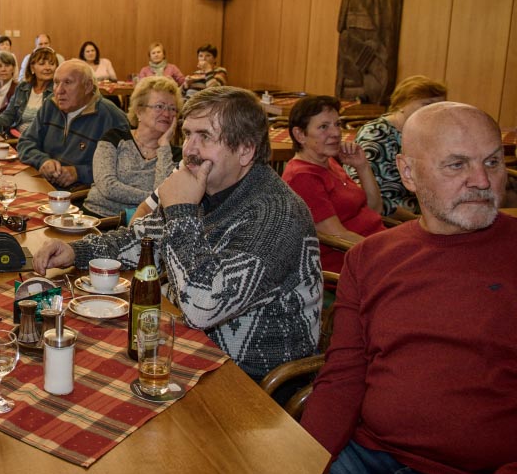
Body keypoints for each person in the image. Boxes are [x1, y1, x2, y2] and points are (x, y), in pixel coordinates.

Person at [34, 86, 321, 381]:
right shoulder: (205, 186)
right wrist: (77, 251)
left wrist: (181, 211)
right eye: (187, 135)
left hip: (248, 382)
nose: (189, 150)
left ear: (245, 150)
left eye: (205, 136)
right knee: (72, 353)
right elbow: (141, 240)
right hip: (189, 344)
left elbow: (202, 306)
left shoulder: (277, 214)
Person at [301, 102, 517, 474]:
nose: (482, 181)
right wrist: (301, 466)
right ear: (408, 173)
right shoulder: (369, 258)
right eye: (457, 165)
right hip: (367, 457)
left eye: (492, 162)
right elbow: (343, 377)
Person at [282, 95, 384, 273]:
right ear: (300, 135)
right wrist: (387, 250)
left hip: (373, 247)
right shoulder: (302, 177)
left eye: (337, 124)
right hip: (350, 264)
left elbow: (375, 209)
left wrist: (362, 166)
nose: (336, 133)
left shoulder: (329, 162)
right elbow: (338, 236)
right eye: (324, 127)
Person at [17, 59, 129, 189]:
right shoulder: (51, 105)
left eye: (68, 82)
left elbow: (125, 168)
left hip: (81, 194)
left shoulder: (111, 117)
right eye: (56, 82)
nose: (59, 91)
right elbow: (25, 142)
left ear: (88, 86)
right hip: (43, 185)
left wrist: (79, 173)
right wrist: (42, 161)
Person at [83, 75, 181, 218]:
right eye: (160, 106)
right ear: (139, 111)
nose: (167, 114)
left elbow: (162, 197)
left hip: (139, 226)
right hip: (94, 217)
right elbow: (107, 186)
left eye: (172, 109)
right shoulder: (114, 138)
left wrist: (164, 146)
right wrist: (152, 198)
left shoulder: (176, 156)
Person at [353, 74, 447, 220]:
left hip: (428, 213)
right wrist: (419, 221)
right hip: (393, 217)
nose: (434, 112)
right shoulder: (376, 134)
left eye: (439, 107)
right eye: (427, 104)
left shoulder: (431, 133)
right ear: (402, 104)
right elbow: (369, 196)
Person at [0, 46, 57, 137]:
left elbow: (53, 128)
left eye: (52, 64)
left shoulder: (58, 91)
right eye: (42, 64)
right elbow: (9, 115)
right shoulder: (22, 87)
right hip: (16, 137)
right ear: (32, 68)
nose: (48, 68)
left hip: (39, 140)